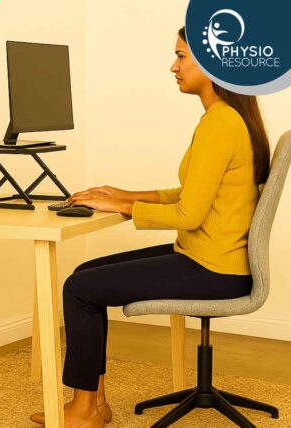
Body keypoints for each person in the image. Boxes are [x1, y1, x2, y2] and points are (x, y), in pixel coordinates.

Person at [29, 27, 270, 428]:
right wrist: (124, 194)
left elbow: (189, 215)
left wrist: (126, 209)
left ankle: (85, 410)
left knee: (79, 289)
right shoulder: (229, 119)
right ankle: (95, 403)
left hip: (213, 269)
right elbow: (190, 191)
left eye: (181, 57)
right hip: (214, 259)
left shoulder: (219, 124)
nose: (172, 66)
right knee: (86, 276)